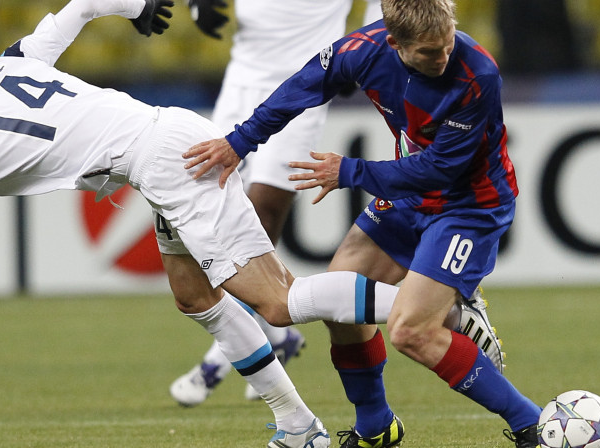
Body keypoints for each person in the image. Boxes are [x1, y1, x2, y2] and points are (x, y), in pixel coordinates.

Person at [0, 1, 339, 446]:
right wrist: (139, 7)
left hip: (165, 161)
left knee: (274, 299)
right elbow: (84, 5)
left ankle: (402, 303)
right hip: (164, 140)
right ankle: (295, 422)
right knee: (195, 297)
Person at [182, 0, 542, 447]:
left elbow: (438, 169)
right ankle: (376, 425)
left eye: (446, 45)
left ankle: (534, 425)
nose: (442, 58)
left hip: (468, 208)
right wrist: (239, 142)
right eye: (429, 52)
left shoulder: (477, 74)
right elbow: (302, 87)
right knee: (340, 300)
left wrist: (349, 171)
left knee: (411, 331)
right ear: (395, 44)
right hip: (408, 197)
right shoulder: (362, 49)